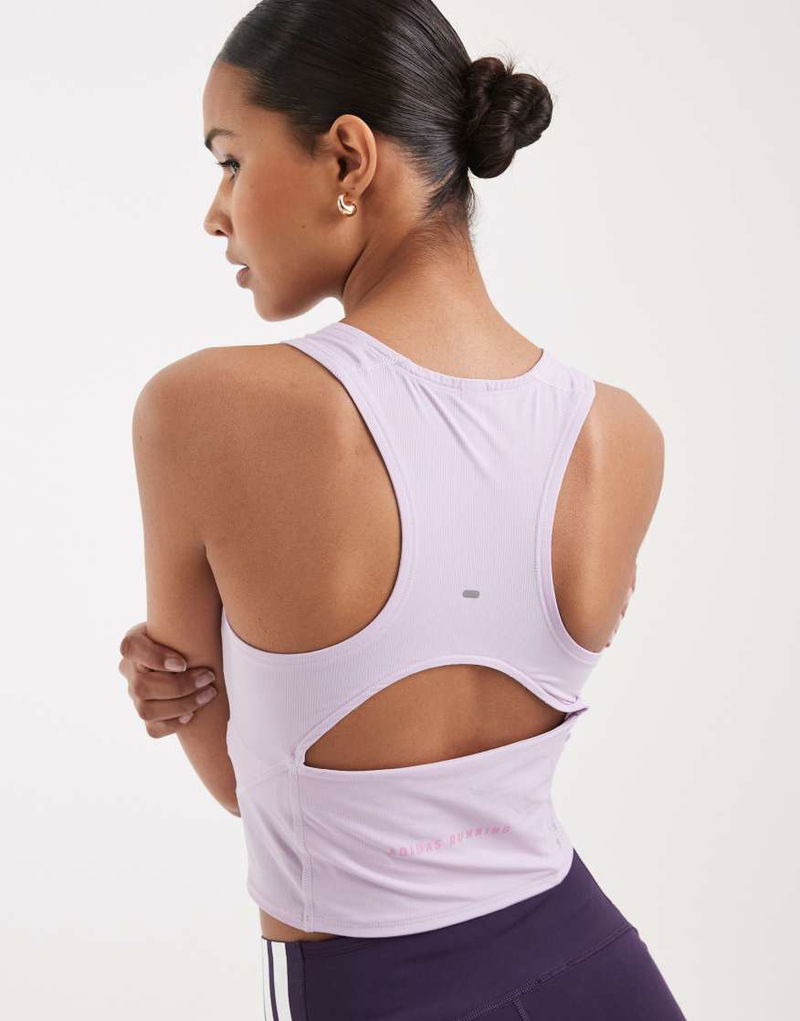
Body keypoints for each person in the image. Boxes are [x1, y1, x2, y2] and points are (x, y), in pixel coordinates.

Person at [118, 1, 686, 1017]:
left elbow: (260, 793)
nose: (216, 212)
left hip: (371, 989)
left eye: (231, 160)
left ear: (347, 158)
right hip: (596, 967)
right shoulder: (618, 433)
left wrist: (184, 690)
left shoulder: (203, 408)